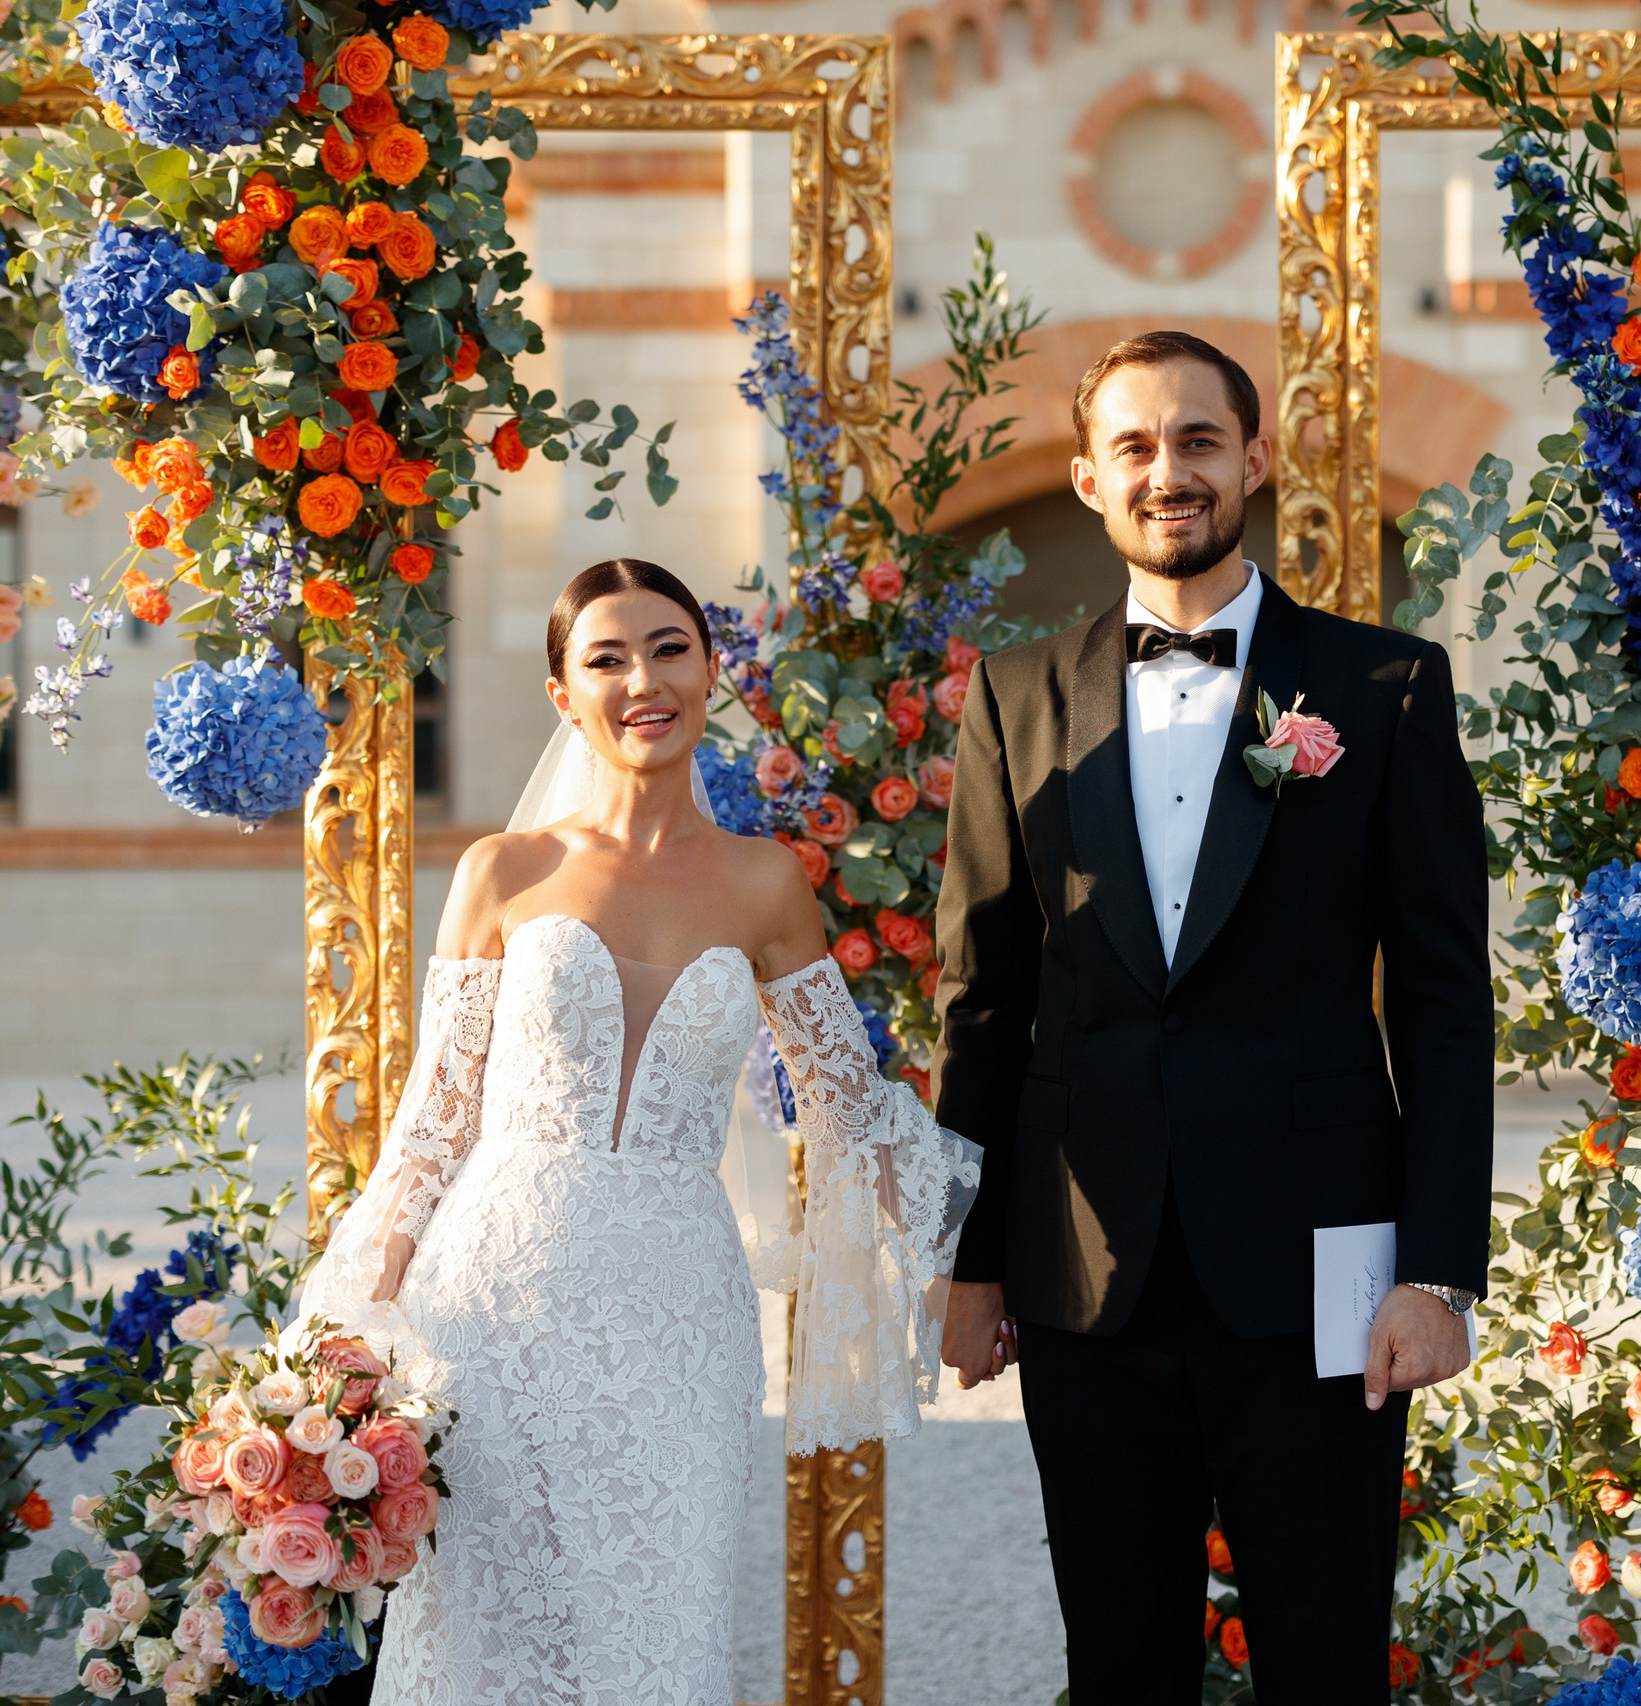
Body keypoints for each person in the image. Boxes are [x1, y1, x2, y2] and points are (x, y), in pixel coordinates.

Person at [292, 558, 979, 1706]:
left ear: (710, 671)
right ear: (564, 693)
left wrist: (974, 1262)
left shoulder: (766, 883)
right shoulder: (503, 871)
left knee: (661, 1628)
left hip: (677, 1314)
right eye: (604, 657)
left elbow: (849, 1107)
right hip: (493, 1307)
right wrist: (343, 1323)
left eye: (667, 647)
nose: (641, 679)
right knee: (482, 1638)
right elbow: (432, 1119)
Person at [930, 331, 1493, 1702]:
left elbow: (1439, 997)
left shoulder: (1383, 687)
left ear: (1254, 458)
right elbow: (983, 993)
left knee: (1327, 1651)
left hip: (1323, 1267)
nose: (1166, 471)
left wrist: (1439, 1269)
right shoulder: (1013, 694)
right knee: (1120, 1661)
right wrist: (970, 1257)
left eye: (1195, 440)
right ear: (1085, 478)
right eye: (1134, 446)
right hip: (1085, 1266)